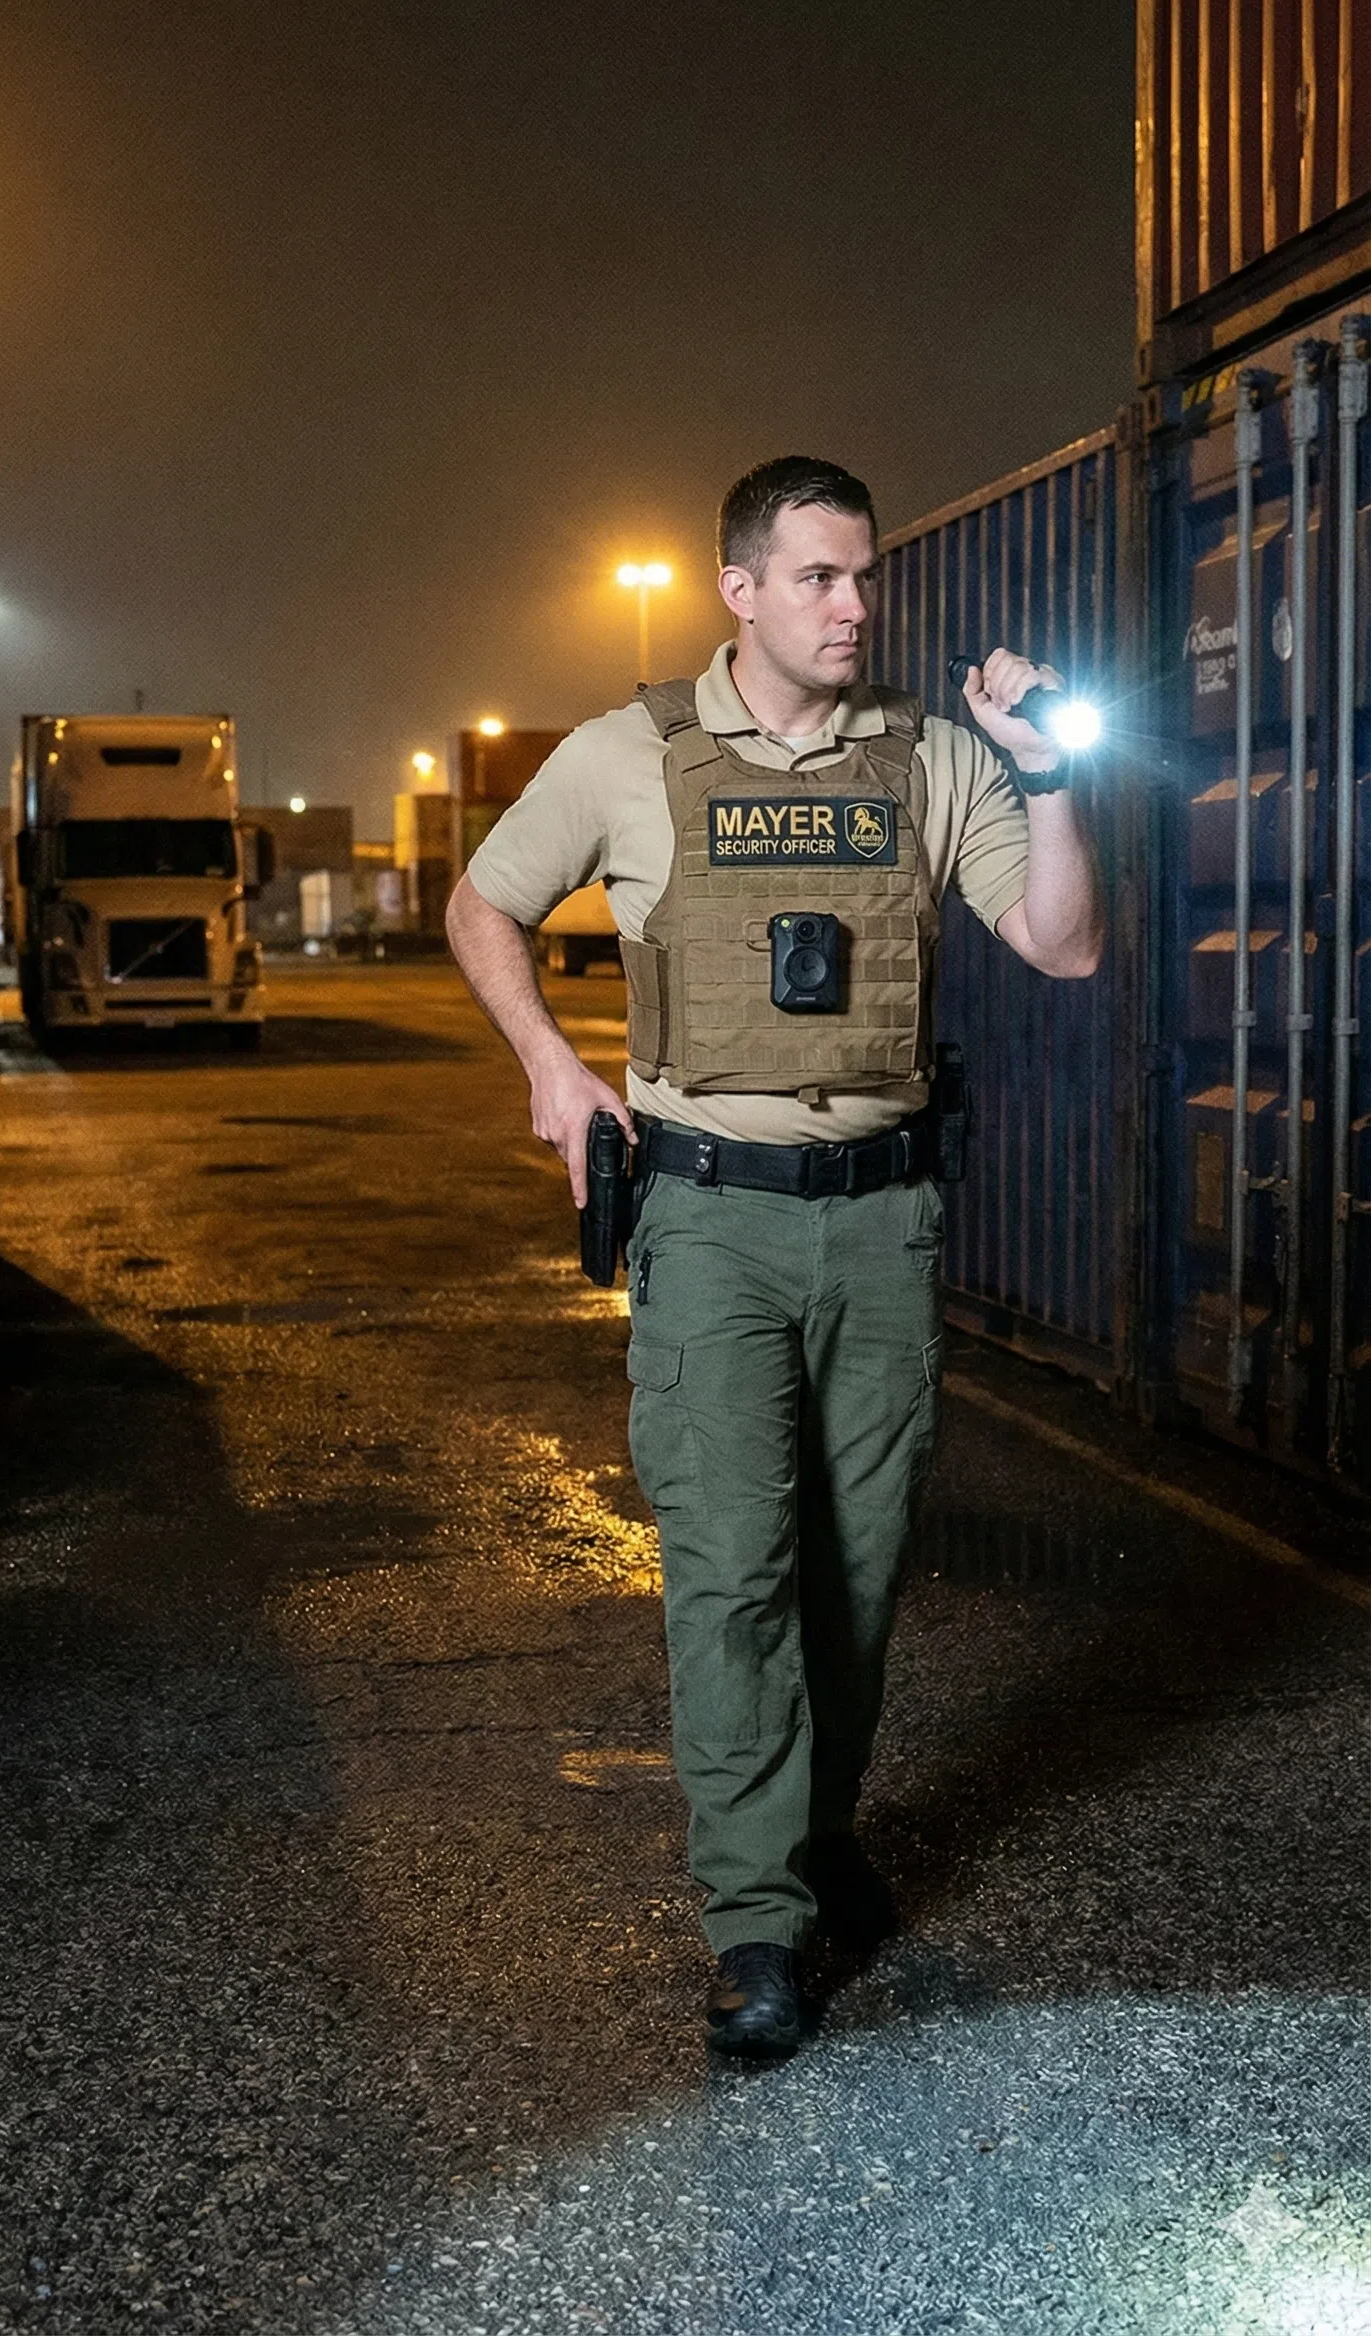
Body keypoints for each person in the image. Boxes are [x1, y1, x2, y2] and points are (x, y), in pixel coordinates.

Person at [446, 455, 1104, 2058]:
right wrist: (549, 1063)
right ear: (737, 588)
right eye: (818, 577)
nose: (854, 605)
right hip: (712, 1221)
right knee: (734, 1569)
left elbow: (1069, 946)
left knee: (856, 1579)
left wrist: (1051, 775)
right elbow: (483, 907)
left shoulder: (935, 758)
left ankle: (810, 1847)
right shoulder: (627, 755)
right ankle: (754, 1920)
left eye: (864, 575)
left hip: (883, 1224)